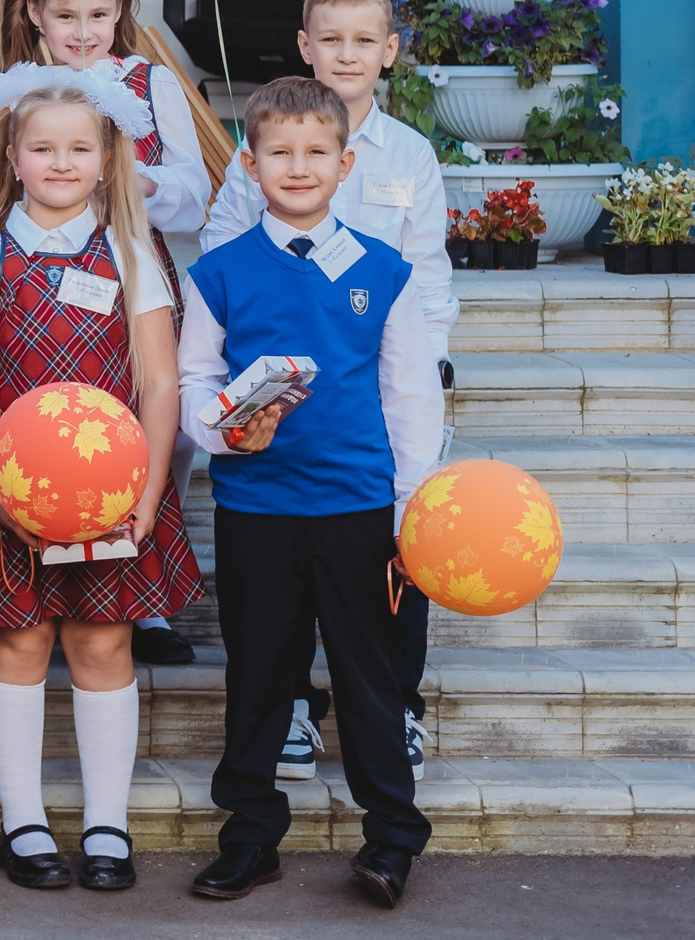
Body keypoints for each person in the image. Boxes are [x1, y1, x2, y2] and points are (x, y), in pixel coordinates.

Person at [0, 68, 200, 893]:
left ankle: (107, 823)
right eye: (43, 147)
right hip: (11, 493)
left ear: (106, 158)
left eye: (79, 148)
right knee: (19, 640)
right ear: (13, 156)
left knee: (103, 639)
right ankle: (23, 821)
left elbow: (161, 381)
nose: (60, 162)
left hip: (114, 494)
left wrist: (147, 493)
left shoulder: (131, 254)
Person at [181, 76, 441, 910]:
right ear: (249, 164)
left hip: (357, 508)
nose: (298, 167)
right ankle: (250, 834)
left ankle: (392, 835)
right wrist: (224, 430)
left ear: (345, 162)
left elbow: (410, 393)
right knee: (259, 671)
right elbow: (194, 381)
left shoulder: (385, 270)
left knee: (370, 676)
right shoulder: (217, 272)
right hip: (256, 508)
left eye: (316, 151)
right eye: (279, 152)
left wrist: (409, 509)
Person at [199, 0, 454, 783]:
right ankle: (293, 709)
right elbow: (224, 248)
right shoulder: (267, 145)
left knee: (391, 557)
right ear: (306, 46)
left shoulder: (408, 154)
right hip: (282, 398)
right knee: (281, 576)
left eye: (363, 40)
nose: (347, 54)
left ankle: (394, 707)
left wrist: (425, 372)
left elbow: (426, 273)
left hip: (373, 382)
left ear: (390, 51)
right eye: (332, 39)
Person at [1, 0, 212, 668]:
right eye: (66, 15)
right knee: (51, 420)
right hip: (37, 281)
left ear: (120, 11)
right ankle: (45, 570)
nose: (83, 31)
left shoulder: (150, 83)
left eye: (98, 14)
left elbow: (196, 191)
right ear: (36, 13)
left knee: (154, 420)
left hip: (129, 274)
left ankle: (140, 589)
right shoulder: (21, 87)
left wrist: (139, 183)